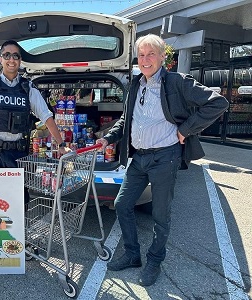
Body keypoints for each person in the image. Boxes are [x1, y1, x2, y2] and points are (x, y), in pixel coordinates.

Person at [96, 34, 228, 286]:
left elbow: (217, 103)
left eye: (151, 54)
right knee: (122, 205)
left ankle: (155, 260)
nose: (145, 60)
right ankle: (133, 254)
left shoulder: (176, 82)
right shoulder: (136, 84)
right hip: (139, 158)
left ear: (162, 57)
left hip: (165, 157)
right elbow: (127, 119)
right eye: (141, 55)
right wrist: (109, 138)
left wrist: (185, 129)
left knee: (160, 214)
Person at [0, 40, 69, 172]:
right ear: (0, 59)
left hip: (18, 153)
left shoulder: (28, 87)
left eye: (16, 56)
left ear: (20, 60)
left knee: (18, 192)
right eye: (7, 55)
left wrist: (61, 144)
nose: (11, 59)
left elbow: (46, 115)